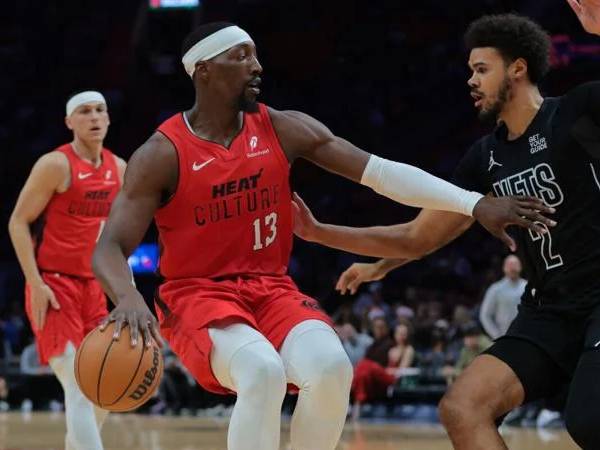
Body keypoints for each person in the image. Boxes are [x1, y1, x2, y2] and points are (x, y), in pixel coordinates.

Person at [92, 23, 552, 450]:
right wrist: (128, 297)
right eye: (242, 56)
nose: (258, 66)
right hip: (197, 295)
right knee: (261, 371)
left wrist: (474, 203)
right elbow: (109, 247)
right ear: (205, 71)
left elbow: (380, 173)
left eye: (256, 56)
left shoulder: (283, 127)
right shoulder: (161, 153)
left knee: (332, 369)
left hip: (271, 289)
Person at [292, 3, 600, 448]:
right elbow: (417, 237)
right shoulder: (482, 160)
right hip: (549, 311)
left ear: (517, 68)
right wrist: (321, 232)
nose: (470, 81)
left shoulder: (577, 112)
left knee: (590, 421)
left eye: (481, 69)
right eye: (470, 70)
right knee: (462, 407)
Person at [8, 91, 126, 450]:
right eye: (84, 111)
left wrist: (125, 291)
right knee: (77, 383)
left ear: (108, 119)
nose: (94, 117)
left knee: (104, 388)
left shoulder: (119, 169)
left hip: (93, 287)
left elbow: (114, 240)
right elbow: (17, 222)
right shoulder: (55, 165)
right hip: (53, 286)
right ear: (69, 122)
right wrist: (35, 283)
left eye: (100, 110)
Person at [479, 255, 526, 339]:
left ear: (520, 267)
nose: (512, 268)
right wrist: (496, 335)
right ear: (504, 268)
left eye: (515, 265)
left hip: (526, 336)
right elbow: (485, 315)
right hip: (505, 336)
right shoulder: (495, 289)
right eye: (510, 265)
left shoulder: (528, 287)